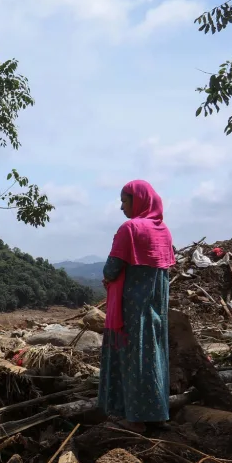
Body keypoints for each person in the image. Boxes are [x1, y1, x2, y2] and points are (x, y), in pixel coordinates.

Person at [98, 180, 175, 433]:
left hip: (130, 308)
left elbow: (111, 268)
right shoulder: (163, 231)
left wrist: (109, 279)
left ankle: (133, 418)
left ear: (139, 199)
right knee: (154, 356)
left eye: (124, 200)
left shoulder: (129, 229)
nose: (121, 207)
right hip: (156, 308)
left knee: (131, 360)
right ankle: (158, 414)